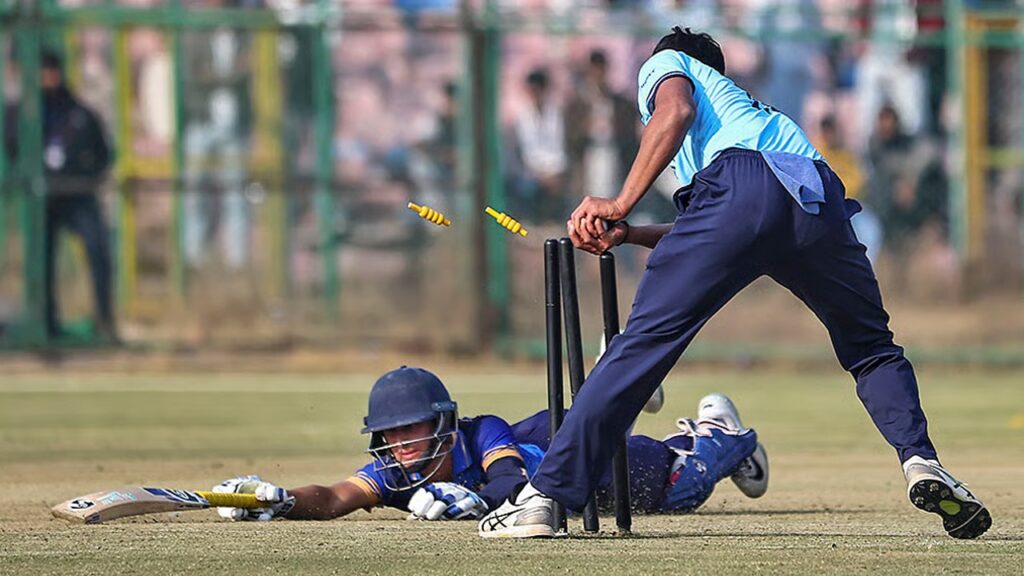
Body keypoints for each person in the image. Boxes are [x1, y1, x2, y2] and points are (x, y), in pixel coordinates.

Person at [478, 27, 990, 540]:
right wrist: (630, 234)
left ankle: (543, 499)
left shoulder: (669, 66)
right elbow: (730, 220)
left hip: (742, 192)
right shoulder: (755, 116)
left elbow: (681, 126)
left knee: (640, 348)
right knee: (872, 348)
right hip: (817, 200)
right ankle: (920, 460)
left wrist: (618, 203)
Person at [211, 366, 769, 524]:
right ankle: (610, 388)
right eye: (391, 433)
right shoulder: (397, 475)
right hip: (555, 444)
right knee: (574, 413)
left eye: (412, 429)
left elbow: (509, 484)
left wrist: (467, 497)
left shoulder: (482, 434)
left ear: (442, 425)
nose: (400, 444)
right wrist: (276, 498)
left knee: (685, 484)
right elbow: (334, 497)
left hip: (597, 472)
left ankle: (721, 433)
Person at [3, 50, 116, 341]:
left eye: (52, 70)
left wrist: (84, 178)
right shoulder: (21, 113)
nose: (48, 77)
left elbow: (103, 155)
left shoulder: (79, 112)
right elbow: (14, 149)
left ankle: (105, 320)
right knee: (41, 260)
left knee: (98, 251)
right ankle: (46, 323)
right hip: (43, 201)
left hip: (78, 197)